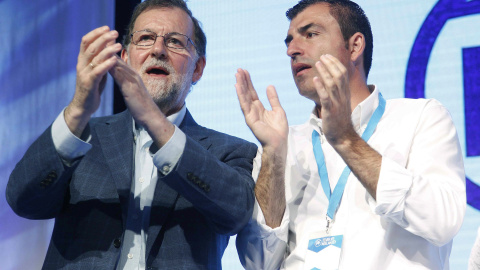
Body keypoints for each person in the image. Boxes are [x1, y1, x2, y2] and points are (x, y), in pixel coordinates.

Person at [6, 0, 257, 269]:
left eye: (175, 41)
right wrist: (78, 109)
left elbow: (236, 215)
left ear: (197, 68)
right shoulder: (82, 138)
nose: (158, 50)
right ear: (125, 58)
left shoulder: (230, 151)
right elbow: (24, 201)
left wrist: (153, 119)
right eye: (146, 38)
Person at [234, 0, 466, 269]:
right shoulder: (283, 141)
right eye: (289, 41)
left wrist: (346, 139)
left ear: (355, 46)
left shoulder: (420, 117)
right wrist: (273, 154)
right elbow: (258, 262)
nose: (292, 50)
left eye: (310, 34)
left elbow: (442, 221)